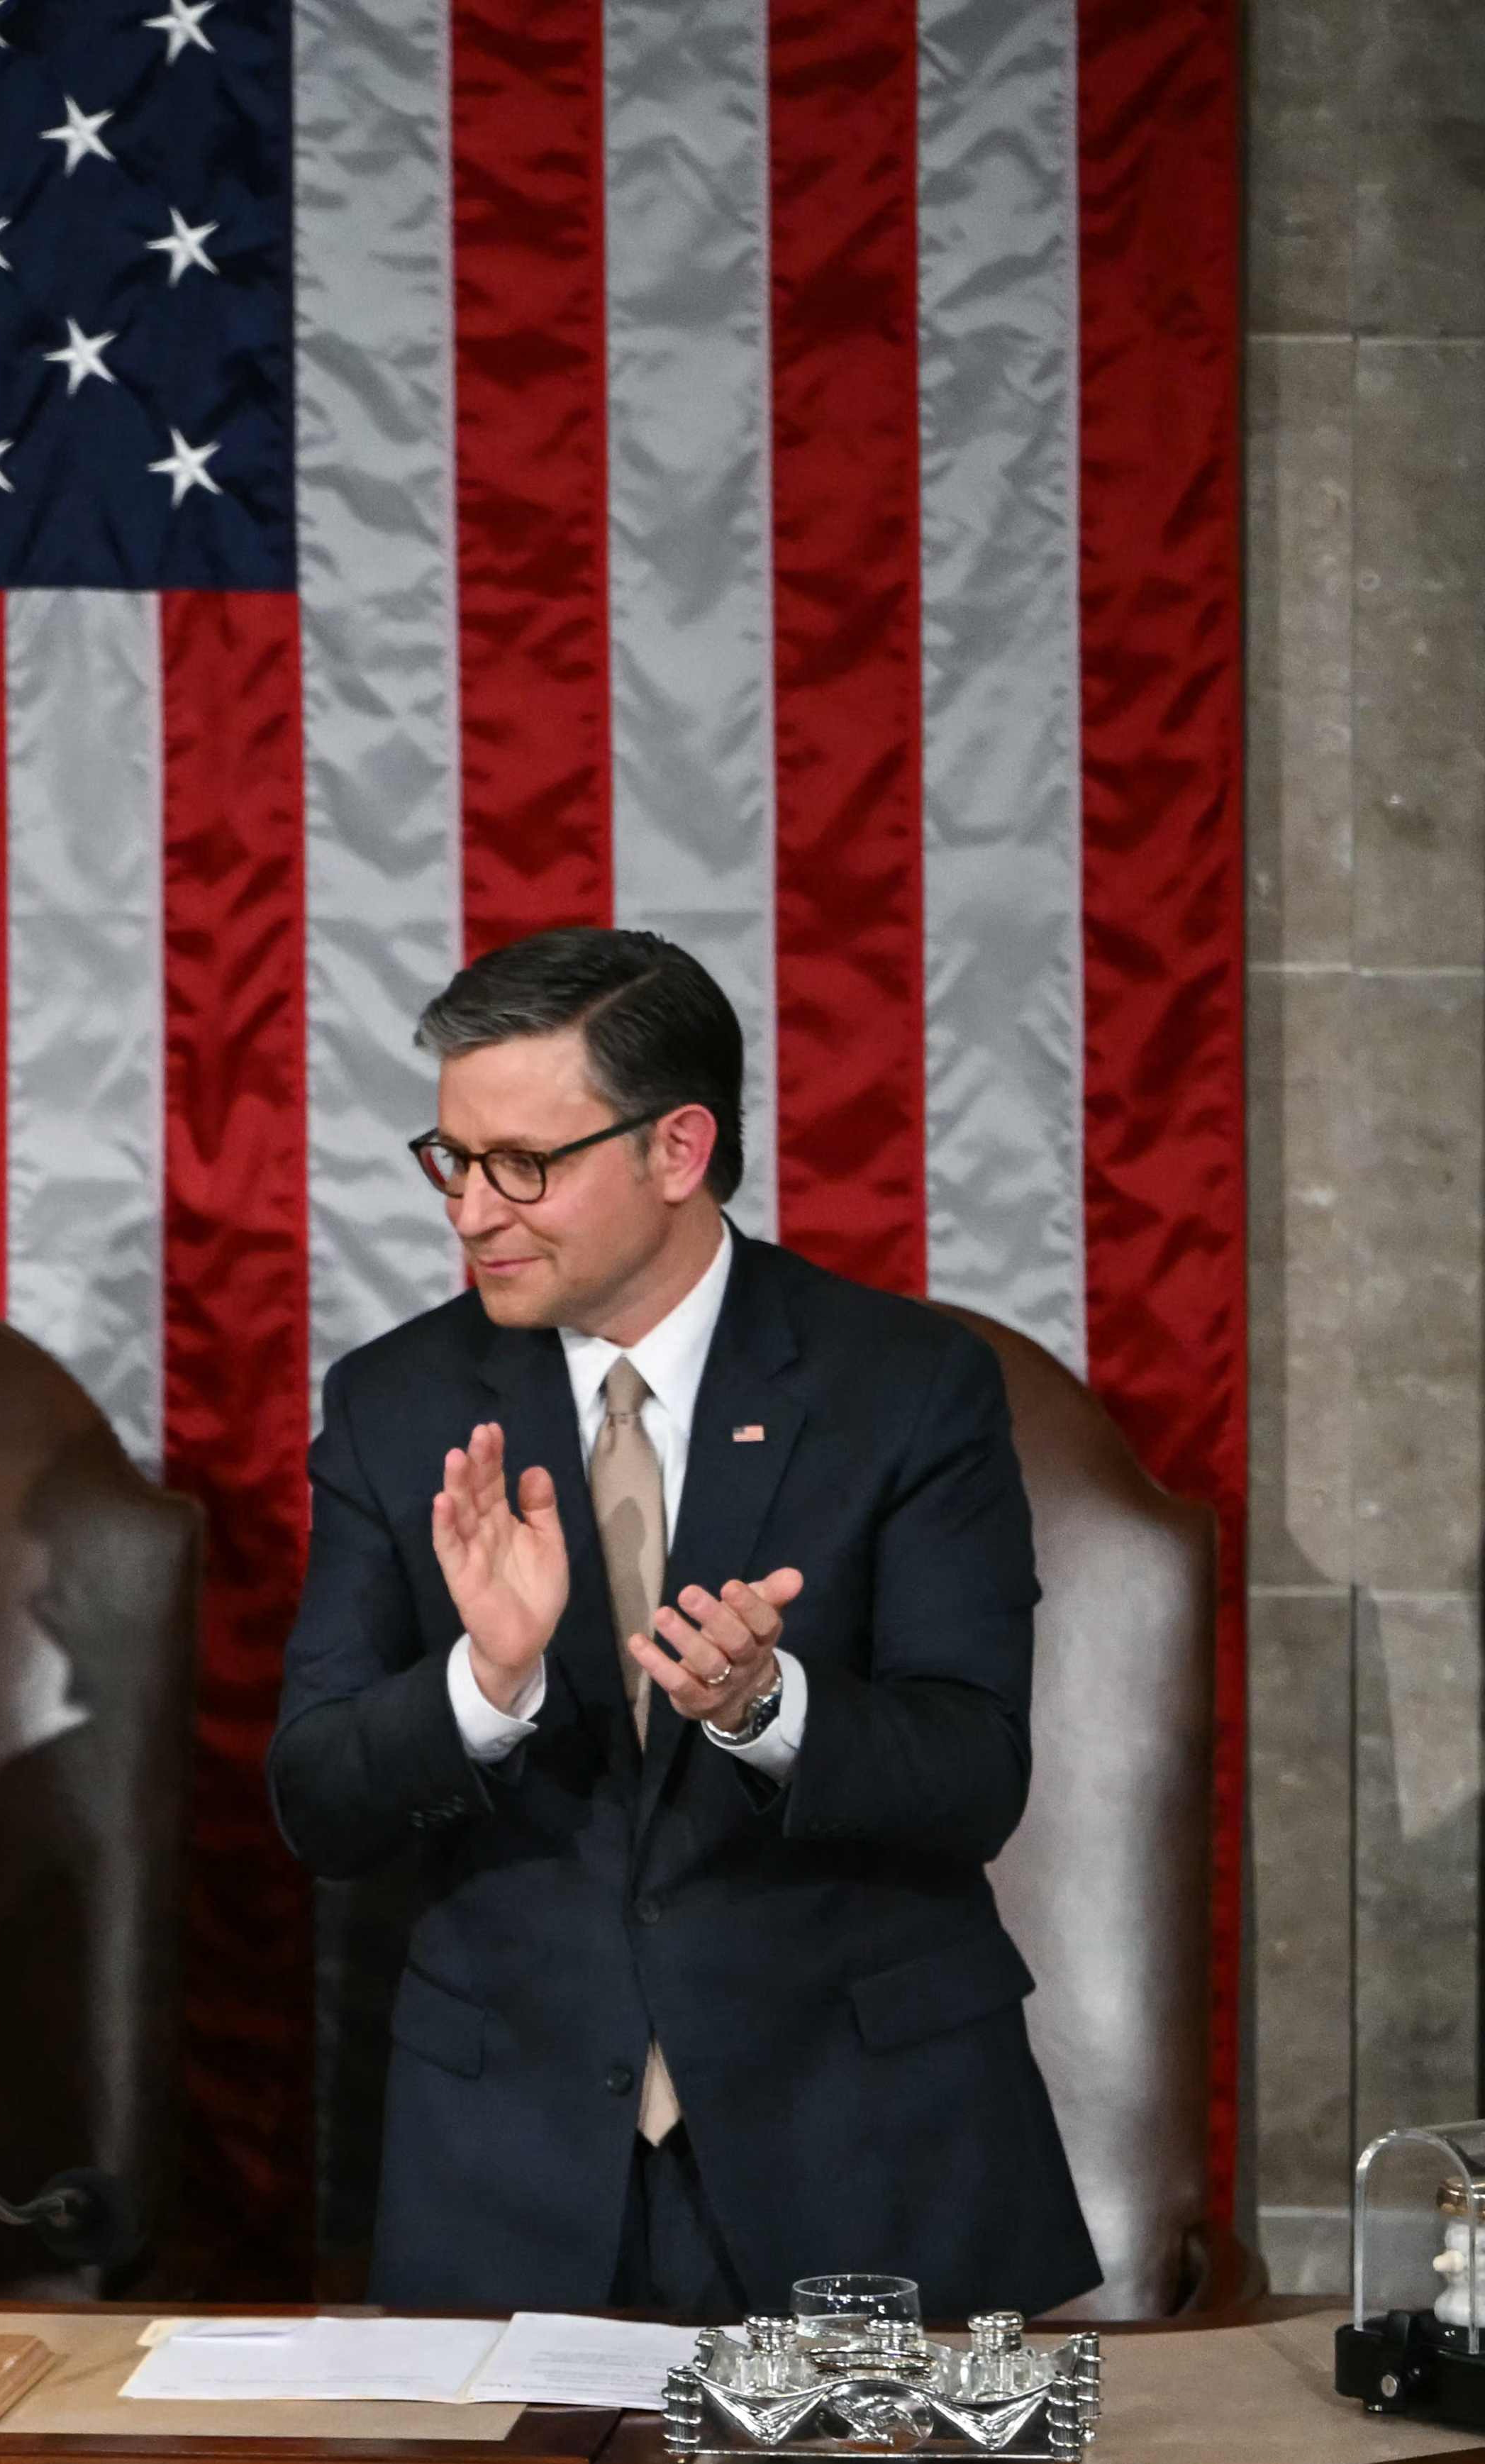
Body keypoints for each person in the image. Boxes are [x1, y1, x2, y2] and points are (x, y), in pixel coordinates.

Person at [271, 926, 1096, 2318]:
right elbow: (316, 1805)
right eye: (450, 1159)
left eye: (522, 1166)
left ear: (674, 1150)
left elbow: (972, 1775)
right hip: (510, 2181)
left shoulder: (904, 1387)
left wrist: (768, 1712)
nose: (470, 1211)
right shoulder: (394, 1405)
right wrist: (485, 1680)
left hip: (859, 2156)